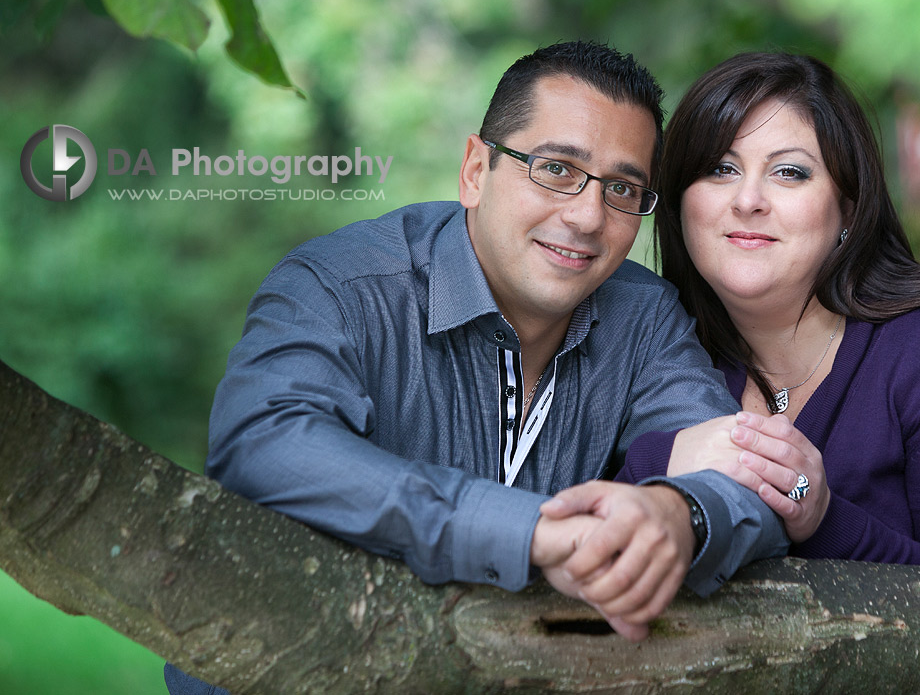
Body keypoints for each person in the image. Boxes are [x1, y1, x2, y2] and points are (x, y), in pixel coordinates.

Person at [165, 41, 786, 693]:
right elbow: (263, 443)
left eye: (623, 187)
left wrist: (676, 515)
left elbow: (751, 484)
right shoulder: (341, 286)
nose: (586, 215)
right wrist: (528, 530)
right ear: (474, 170)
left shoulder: (644, 317)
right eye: (555, 168)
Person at [628, 51, 920, 571]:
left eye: (789, 172)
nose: (748, 200)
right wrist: (658, 462)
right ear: (678, 203)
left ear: (847, 208)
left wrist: (826, 520)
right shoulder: (657, 358)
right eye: (721, 168)